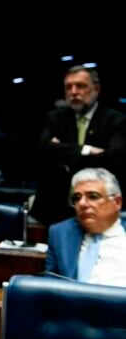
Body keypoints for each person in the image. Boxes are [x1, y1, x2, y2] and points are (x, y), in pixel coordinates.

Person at [31, 66, 126, 226]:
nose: (74, 92)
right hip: (54, 206)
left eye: (81, 86)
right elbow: (42, 150)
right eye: (68, 87)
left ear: (96, 89)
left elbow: (112, 160)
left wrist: (62, 152)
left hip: (99, 208)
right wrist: (86, 150)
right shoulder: (55, 118)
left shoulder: (116, 119)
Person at [46, 167, 126, 287]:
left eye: (93, 196)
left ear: (117, 202)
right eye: (76, 198)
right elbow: (49, 284)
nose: (82, 204)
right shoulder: (60, 233)